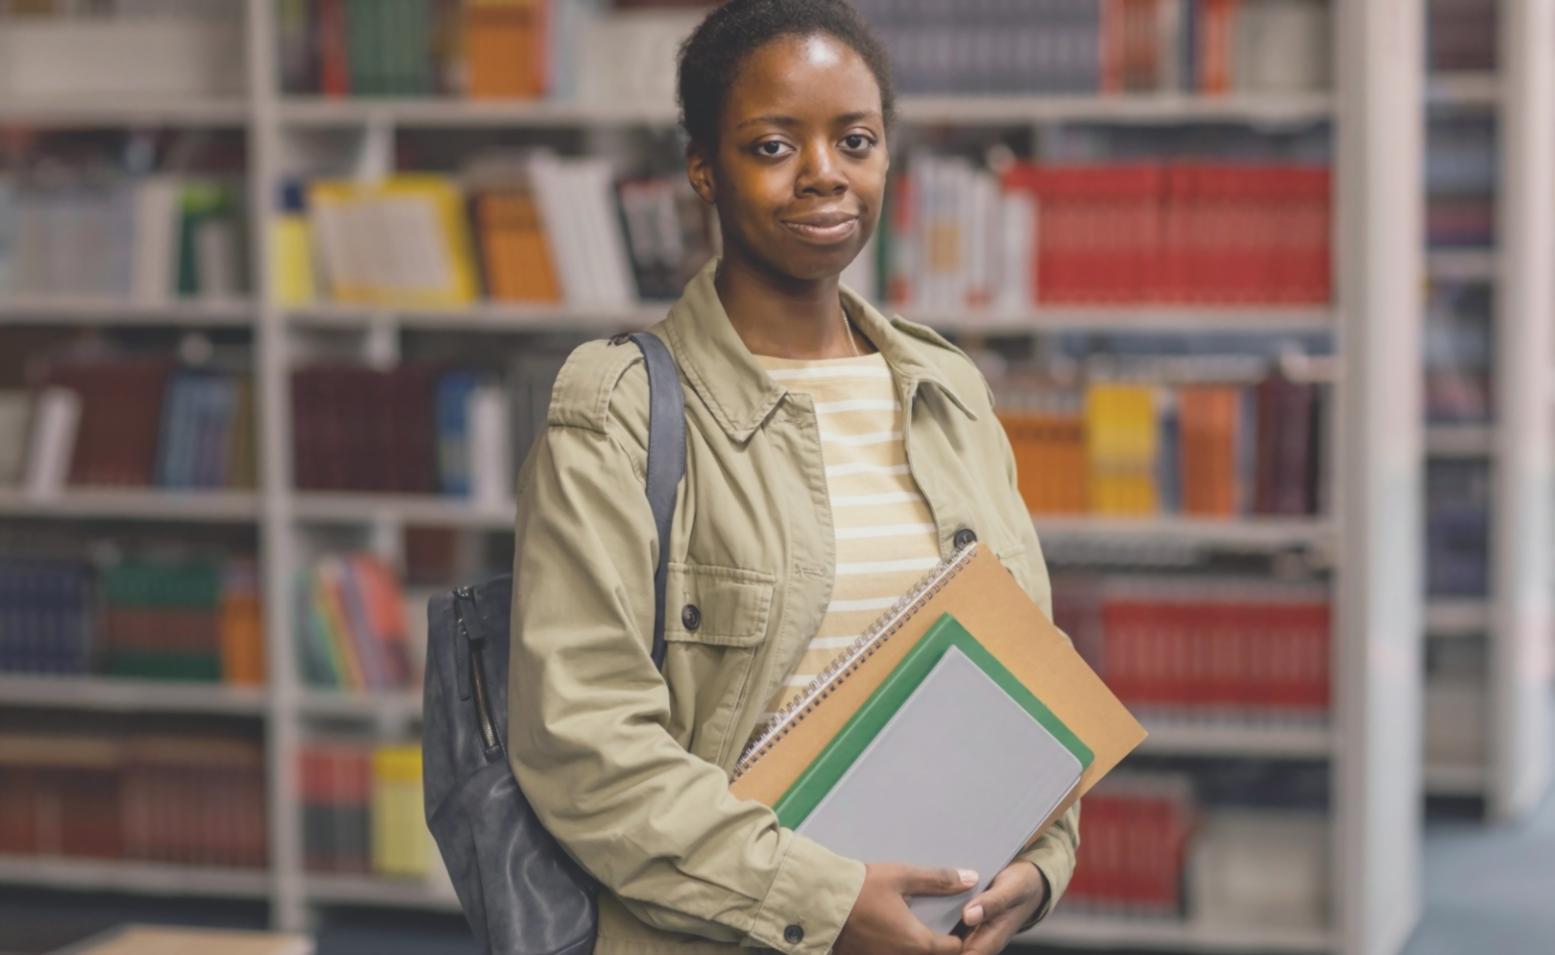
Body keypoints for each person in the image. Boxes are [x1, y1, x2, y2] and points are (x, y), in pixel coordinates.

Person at [506, 2, 1079, 953]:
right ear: (702, 166)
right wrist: (828, 900)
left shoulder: (950, 392)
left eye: (855, 140)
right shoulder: (616, 411)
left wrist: (1041, 862)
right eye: (773, 145)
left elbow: (1025, 684)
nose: (824, 172)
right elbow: (584, 749)